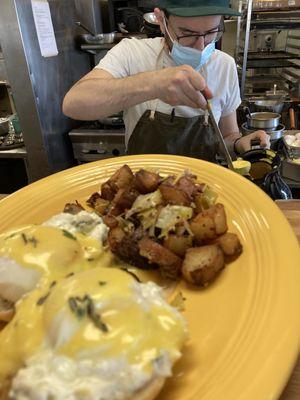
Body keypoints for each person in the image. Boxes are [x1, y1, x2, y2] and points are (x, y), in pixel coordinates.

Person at [63, 0, 270, 162]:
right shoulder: (132, 53)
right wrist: (154, 84)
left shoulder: (224, 66)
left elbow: (228, 135)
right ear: (161, 20)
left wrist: (240, 144)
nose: (200, 46)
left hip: (200, 192)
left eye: (211, 33)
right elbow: (74, 103)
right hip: (142, 192)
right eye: (187, 34)